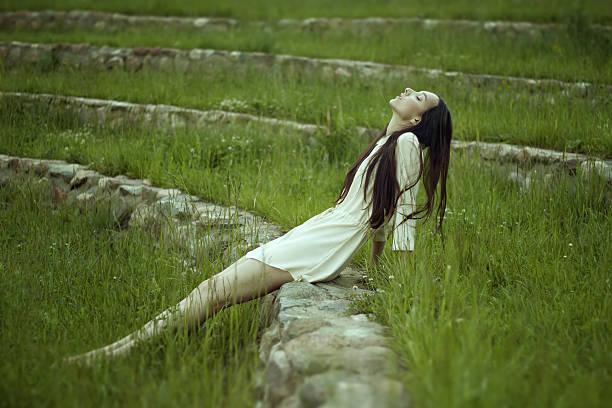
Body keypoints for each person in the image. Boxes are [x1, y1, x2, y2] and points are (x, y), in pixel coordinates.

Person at [66, 87, 452, 364]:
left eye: (419, 96)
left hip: (321, 246)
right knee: (214, 290)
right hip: (317, 234)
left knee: (216, 289)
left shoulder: (406, 147)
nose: (409, 90)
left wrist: (394, 284)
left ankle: (115, 355)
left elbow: (401, 218)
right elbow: (380, 216)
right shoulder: (388, 142)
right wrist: (374, 265)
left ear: (417, 120)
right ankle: (130, 350)